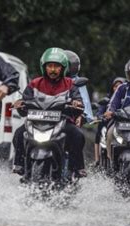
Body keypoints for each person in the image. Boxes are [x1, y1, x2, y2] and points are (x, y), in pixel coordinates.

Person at [12, 47, 86, 177]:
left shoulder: (70, 84)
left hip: (62, 122)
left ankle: (77, 168)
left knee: (78, 135)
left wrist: (76, 103)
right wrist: (20, 104)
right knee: (19, 134)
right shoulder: (35, 83)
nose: (52, 69)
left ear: (63, 68)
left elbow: (79, 103)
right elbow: (24, 104)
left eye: (56, 66)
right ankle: (19, 164)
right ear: (44, 67)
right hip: (36, 122)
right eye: (50, 66)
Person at [93, 77, 125, 166]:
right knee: (100, 128)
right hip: (108, 124)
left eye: (120, 86)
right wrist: (98, 117)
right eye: (115, 86)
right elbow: (100, 111)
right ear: (112, 87)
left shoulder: (128, 100)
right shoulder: (107, 99)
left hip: (123, 127)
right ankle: (97, 159)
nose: (117, 88)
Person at [64, 50, 93, 125]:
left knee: (77, 135)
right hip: (48, 115)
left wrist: (82, 116)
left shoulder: (77, 81)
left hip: (68, 117)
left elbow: (83, 102)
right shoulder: (48, 80)